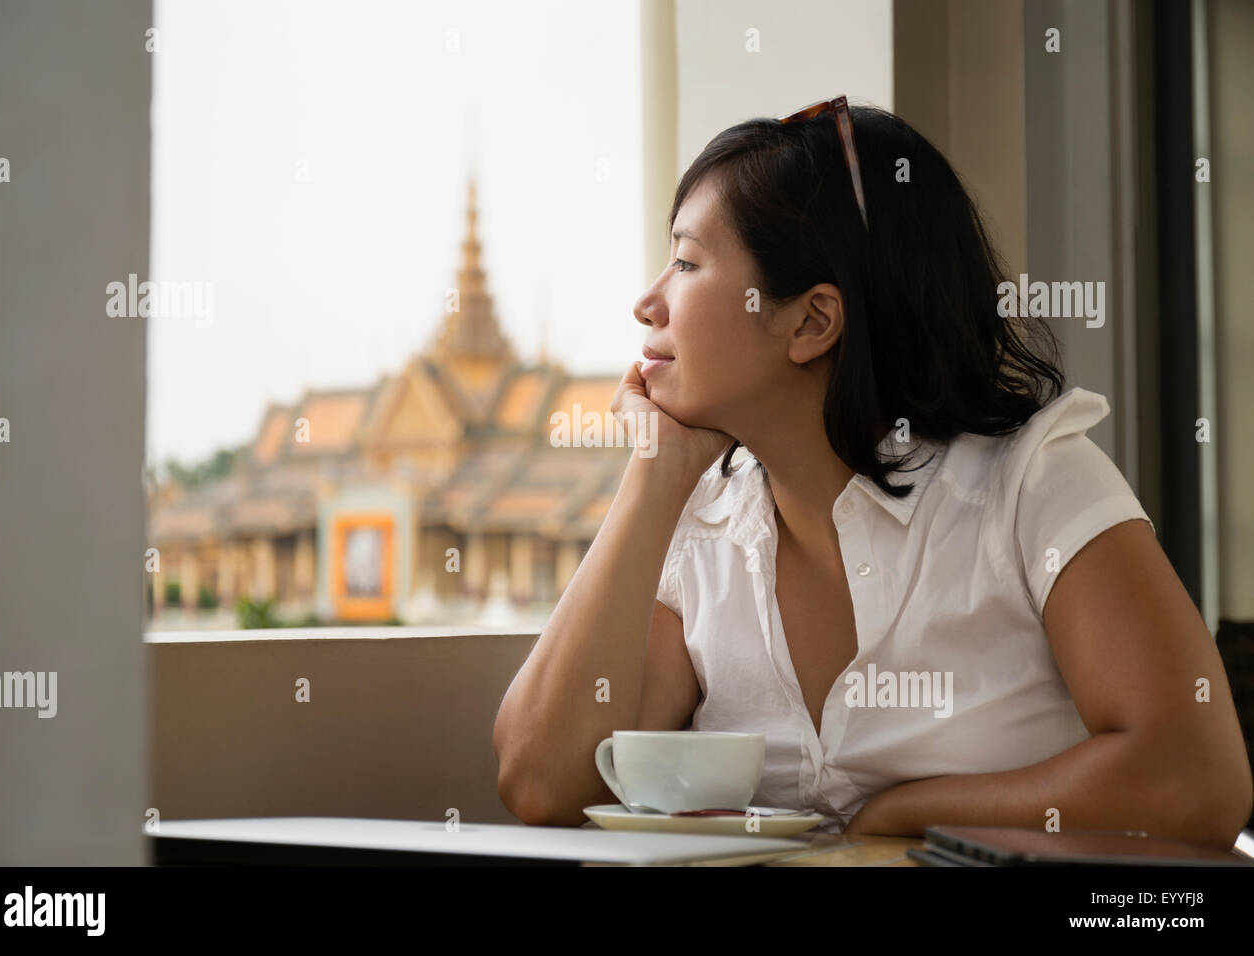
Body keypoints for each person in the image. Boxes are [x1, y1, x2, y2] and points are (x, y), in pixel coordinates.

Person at [492, 100, 1252, 848]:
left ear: (812, 322)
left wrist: (908, 811)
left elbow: (1194, 779)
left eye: (687, 262)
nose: (647, 302)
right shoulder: (703, 529)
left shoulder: (1032, 486)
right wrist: (653, 477)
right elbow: (541, 783)